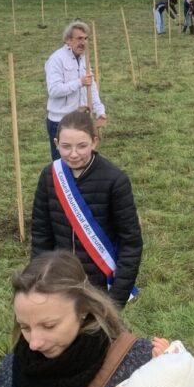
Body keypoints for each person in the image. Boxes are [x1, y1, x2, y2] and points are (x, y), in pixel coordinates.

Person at [0, 250, 154, 387]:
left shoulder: (139, 366)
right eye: (25, 327)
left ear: (83, 309)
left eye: (49, 326)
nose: (33, 343)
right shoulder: (10, 371)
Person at [31, 110, 141, 308]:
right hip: (60, 280)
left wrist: (116, 300)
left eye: (82, 146)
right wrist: (38, 280)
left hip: (99, 285)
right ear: (56, 144)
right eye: (66, 147)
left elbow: (131, 243)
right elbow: (41, 234)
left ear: (94, 142)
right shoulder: (49, 176)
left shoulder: (115, 180)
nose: (73, 154)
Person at [46, 21, 106, 161]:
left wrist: (100, 111)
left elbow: (92, 87)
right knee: (63, 163)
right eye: (79, 38)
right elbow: (54, 90)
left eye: (86, 38)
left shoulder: (85, 58)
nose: (83, 42)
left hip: (81, 119)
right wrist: (79, 82)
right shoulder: (56, 59)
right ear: (67, 40)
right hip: (60, 121)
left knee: (83, 160)